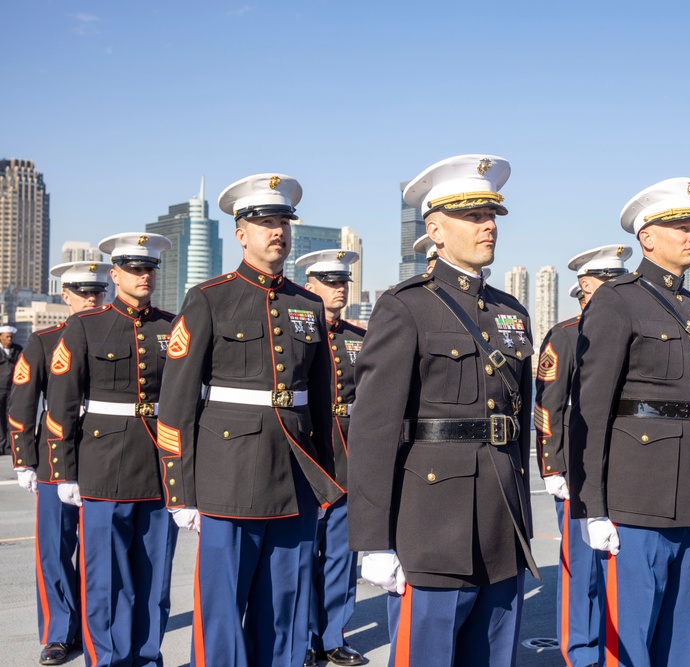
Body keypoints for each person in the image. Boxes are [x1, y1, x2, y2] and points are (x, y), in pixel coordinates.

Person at [348, 154, 538, 666]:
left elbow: (515, 423)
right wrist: (373, 540)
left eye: (492, 215)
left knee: (495, 654)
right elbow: (373, 429)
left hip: (502, 517)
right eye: (473, 216)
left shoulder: (509, 311)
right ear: (435, 228)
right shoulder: (405, 306)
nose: (488, 226)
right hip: (431, 523)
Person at [156, 173, 339, 667]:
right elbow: (175, 403)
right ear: (241, 233)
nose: (277, 231)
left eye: (282, 222)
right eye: (265, 223)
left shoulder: (307, 305)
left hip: (295, 479)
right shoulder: (209, 298)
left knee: (285, 609)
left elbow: (322, 405)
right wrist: (180, 491)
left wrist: (331, 481)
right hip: (227, 478)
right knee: (221, 612)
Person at [569, 177, 690, 666]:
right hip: (638, 494)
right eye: (679, 225)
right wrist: (591, 506)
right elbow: (591, 409)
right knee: (632, 634)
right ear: (647, 237)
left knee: (683, 635)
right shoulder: (617, 300)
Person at [45, 233, 179, 667]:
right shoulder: (86, 325)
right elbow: (63, 402)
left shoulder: (171, 326)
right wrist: (63, 470)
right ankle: (107, 660)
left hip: (159, 467)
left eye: (150, 269)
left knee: (154, 578)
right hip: (103, 466)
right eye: (135, 269)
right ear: (115, 274)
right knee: (105, 579)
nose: (145, 276)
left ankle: (146, 657)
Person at [7, 260, 111, 665]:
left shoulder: (116, 337)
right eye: (82, 292)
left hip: (104, 458)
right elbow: (22, 402)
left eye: (98, 292)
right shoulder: (45, 341)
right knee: (54, 550)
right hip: (54, 459)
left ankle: (92, 627)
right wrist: (24, 460)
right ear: (64, 295)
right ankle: (56, 633)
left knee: (97, 552)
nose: (91, 298)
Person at [535, 244, 631, 667]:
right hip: (579, 464)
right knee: (582, 567)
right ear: (584, 287)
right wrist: (552, 464)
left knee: (619, 563)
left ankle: (614, 646)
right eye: (604, 283)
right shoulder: (569, 333)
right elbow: (548, 405)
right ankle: (580, 649)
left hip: (627, 463)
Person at [295, 249, 366, 667]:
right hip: (310, 454)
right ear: (310, 285)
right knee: (303, 555)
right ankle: (303, 638)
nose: (339, 288)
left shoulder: (360, 337)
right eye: (330, 281)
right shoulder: (298, 334)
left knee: (342, 554)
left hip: (350, 455)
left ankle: (333, 636)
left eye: (343, 282)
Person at [0, 324, 24, 455]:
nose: (10, 339)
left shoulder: (17, 350)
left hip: (12, 389)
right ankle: (1, 445)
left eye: (11, 337)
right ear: (1, 338)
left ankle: (9, 446)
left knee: (10, 417)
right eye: (7, 337)